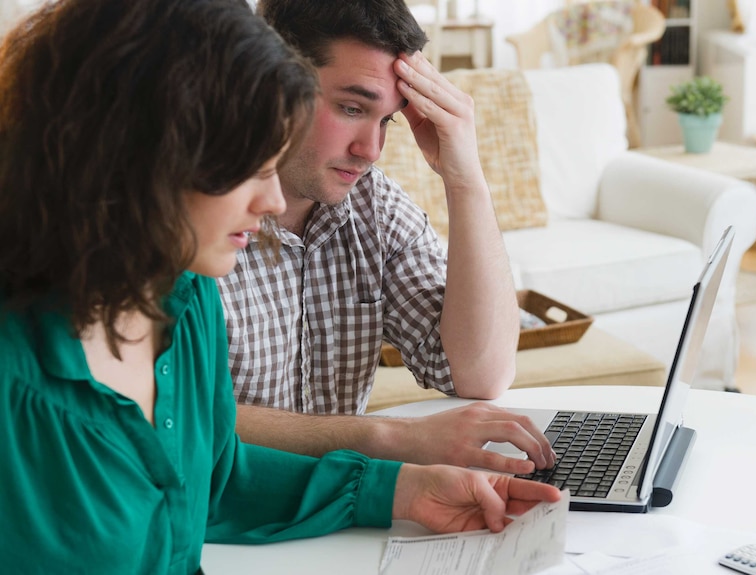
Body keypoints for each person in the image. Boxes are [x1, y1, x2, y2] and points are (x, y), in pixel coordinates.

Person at [0, 0, 561, 572]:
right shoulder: (23, 376)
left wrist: (404, 490)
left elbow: (218, 476)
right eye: (251, 164)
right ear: (144, 148)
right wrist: (393, 443)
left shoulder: (181, 304)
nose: (269, 202)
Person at [218, 0, 556, 474]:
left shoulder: (372, 204)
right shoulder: (194, 219)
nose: (370, 151)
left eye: (387, 120)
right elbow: (176, 423)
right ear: (270, 82)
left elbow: (481, 375)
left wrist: (465, 180)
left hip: (343, 507)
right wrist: (388, 438)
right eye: (352, 108)